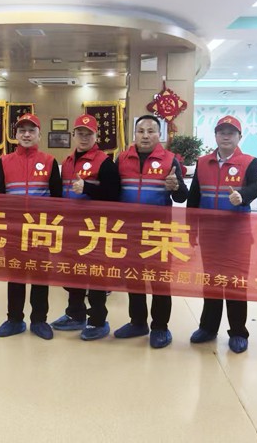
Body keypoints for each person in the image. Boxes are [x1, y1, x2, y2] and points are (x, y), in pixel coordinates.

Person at [187, 115, 257, 353]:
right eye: (222, 132)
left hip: (237, 236)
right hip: (210, 235)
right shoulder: (202, 163)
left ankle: (238, 332)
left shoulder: (249, 162)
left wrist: (243, 196)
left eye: (231, 132)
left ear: (239, 136)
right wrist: (191, 231)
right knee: (211, 281)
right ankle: (208, 327)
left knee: (235, 283)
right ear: (216, 136)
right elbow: (194, 198)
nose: (226, 136)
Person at [113, 115, 187, 348]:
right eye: (141, 131)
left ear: (159, 135)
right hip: (129, 232)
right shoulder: (121, 159)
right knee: (133, 278)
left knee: (160, 281)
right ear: (134, 134)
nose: (145, 136)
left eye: (151, 131)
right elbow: (112, 193)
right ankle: (138, 322)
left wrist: (175, 186)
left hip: (158, 232)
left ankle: (160, 327)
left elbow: (181, 197)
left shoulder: (170, 160)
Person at [0, 113, 63, 340]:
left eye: (31, 130)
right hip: (13, 230)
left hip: (40, 230)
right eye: (22, 130)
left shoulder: (50, 161)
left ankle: (39, 319)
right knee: (15, 275)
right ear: (15, 135)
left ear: (39, 135)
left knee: (40, 275)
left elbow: (57, 199)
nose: (26, 134)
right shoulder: (4, 162)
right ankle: (14, 319)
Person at [51, 114, 121, 341]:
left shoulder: (105, 162)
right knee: (74, 273)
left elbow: (114, 195)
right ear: (73, 135)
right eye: (80, 133)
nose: (84, 137)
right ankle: (75, 314)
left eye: (88, 134)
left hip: (95, 229)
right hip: (71, 228)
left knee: (96, 275)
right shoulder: (67, 161)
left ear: (96, 136)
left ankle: (98, 320)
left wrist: (88, 188)